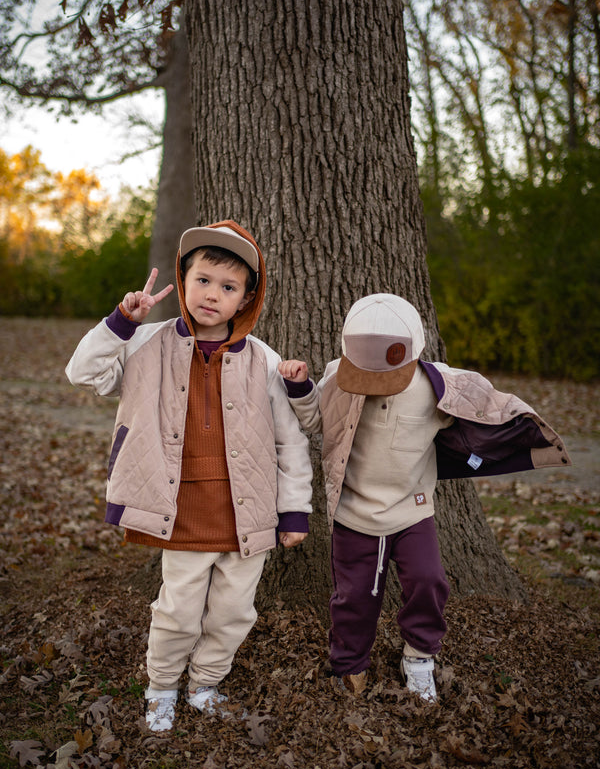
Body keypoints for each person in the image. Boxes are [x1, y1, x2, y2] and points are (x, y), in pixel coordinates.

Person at [66, 220, 312, 731]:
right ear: (183, 282)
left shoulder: (262, 358)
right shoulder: (146, 342)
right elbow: (83, 374)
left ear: (245, 300)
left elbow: (291, 440)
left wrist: (294, 511)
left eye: (228, 287)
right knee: (178, 609)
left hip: (250, 510)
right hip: (178, 508)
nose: (212, 295)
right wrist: (120, 323)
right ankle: (161, 688)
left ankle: (204, 685)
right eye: (203, 280)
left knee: (233, 612)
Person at [278, 293, 570, 703]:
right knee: (354, 597)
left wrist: (522, 431)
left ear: (414, 347)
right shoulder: (339, 376)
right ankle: (349, 664)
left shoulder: (437, 385)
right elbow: (315, 420)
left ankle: (418, 657)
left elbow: (484, 409)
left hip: (413, 511)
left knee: (428, 584)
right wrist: (299, 387)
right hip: (354, 514)